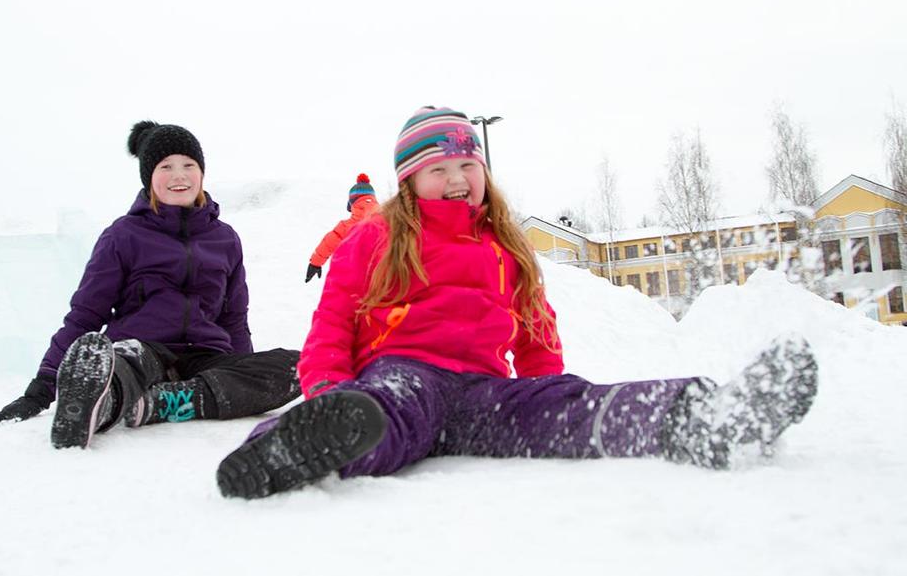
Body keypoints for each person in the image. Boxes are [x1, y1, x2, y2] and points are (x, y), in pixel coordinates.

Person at [216, 106, 819, 499]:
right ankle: (285, 445)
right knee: (381, 418)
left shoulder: (505, 243)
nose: (456, 177)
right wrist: (329, 389)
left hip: (482, 391)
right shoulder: (378, 235)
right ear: (408, 181)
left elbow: (535, 327)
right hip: (405, 376)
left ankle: (705, 417)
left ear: (482, 170)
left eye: (466, 164)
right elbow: (333, 320)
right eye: (438, 168)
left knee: (573, 408)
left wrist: (542, 389)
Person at [0, 121, 301, 449]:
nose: (179, 175)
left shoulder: (225, 239)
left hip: (205, 359)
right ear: (149, 178)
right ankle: (101, 402)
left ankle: (160, 404)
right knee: (116, 363)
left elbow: (234, 318)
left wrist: (241, 375)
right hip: (142, 350)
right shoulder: (124, 235)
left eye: (189, 165)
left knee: (297, 366)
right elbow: (85, 315)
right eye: (166, 167)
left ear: (201, 174)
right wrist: (41, 389)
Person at [305, 173, 380, 282]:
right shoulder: (388, 220)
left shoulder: (346, 227)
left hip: (355, 280)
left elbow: (328, 243)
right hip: (385, 280)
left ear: (352, 204)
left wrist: (315, 264)